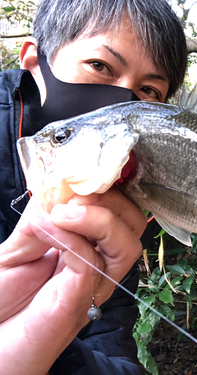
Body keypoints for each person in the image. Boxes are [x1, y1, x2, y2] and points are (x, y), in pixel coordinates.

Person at [0, 0, 187, 373]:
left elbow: (114, 341)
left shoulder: (122, 195)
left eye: (149, 91)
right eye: (100, 66)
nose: (121, 103)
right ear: (35, 65)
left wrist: (48, 335)